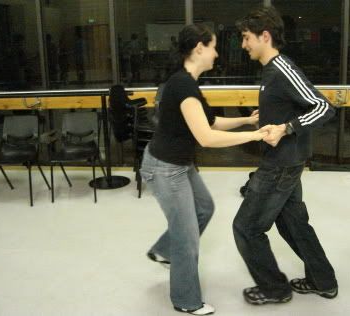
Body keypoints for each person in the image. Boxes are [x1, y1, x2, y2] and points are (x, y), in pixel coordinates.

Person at [139, 24, 267, 315]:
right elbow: (207, 138)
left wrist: (247, 121)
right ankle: (186, 301)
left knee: (204, 208)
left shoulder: (188, 83)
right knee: (188, 240)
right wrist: (256, 136)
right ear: (199, 48)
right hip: (166, 168)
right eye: (213, 47)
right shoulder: (183, 86)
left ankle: (163, 250)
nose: (217, 53)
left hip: (177, 164)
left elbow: (210, 122)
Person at [232, 6, 338, 306]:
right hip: (286, 162)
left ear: (265, 36)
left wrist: (287, 127)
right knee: (294, 225)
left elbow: (323, 107)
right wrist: (264, 115)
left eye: (246, 38)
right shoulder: (270, 72)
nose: (243, 45)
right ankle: (323, 281)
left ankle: (274, 289)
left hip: (280, 164)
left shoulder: (282, 69)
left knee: (247, 228)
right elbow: (287, 106)